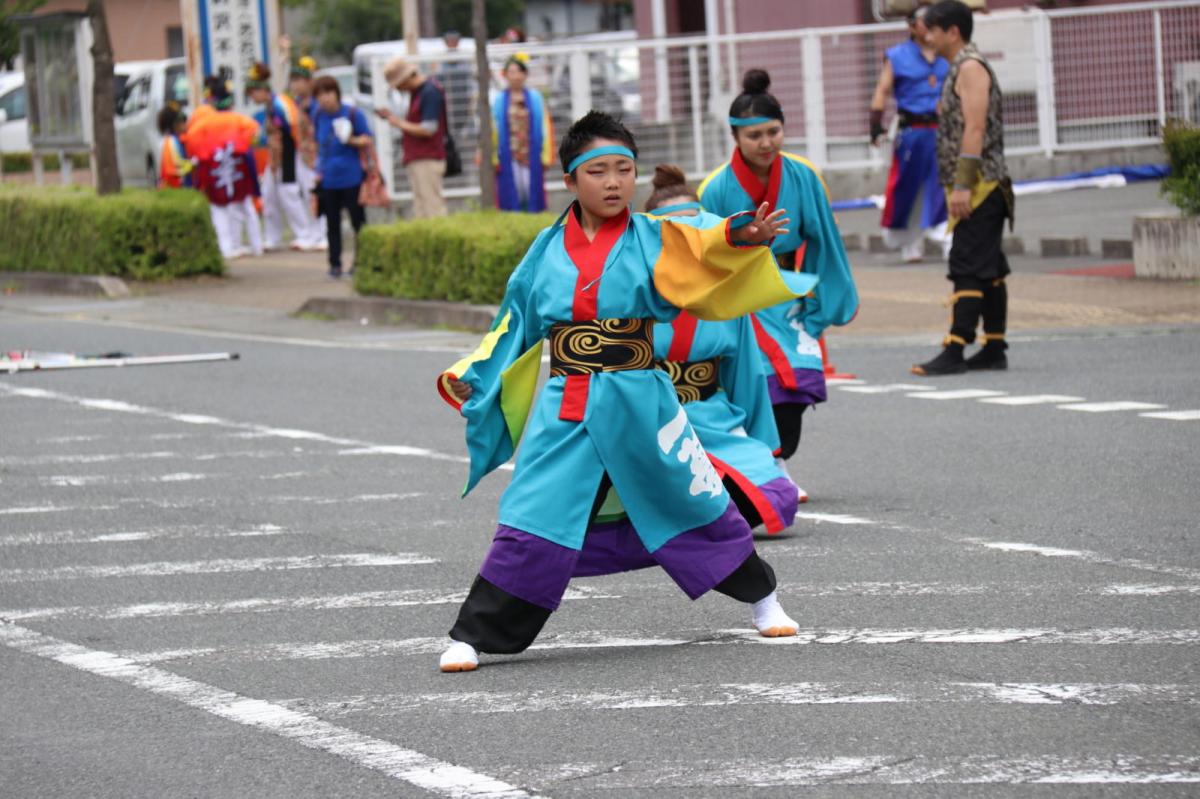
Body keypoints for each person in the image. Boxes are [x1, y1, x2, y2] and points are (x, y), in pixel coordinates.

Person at [435, 111, 819, 673]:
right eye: (597, 171)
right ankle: (475, 634)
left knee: (695, 500)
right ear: (570, 181)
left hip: (643, 401)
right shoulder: (544, 251)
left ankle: (764, 599)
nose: (614, 183)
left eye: (624, 170)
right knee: (530, 511)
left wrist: (741, 234)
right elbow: (513, 324)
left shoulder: (654, 237)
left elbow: (703, 246)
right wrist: (476, 371)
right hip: (567, 405)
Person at [698, 69, 858, 498]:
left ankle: (775, 465)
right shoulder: (714, 188)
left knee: (797, 387)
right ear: (735, 137)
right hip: (741, 300)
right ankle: (769, 472)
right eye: (755, 136)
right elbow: (705, 255)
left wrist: (825, 301)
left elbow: (825, 239)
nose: (766, 143)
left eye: (774, 131)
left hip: (789, 297)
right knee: (756, 385)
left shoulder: (804, 176)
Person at [646, 164, 802, 532]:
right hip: (651, 421)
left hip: (714, 420)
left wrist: (769, 451)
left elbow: (746, 379)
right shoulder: (632, 292)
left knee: (773, 497)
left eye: (698, 229)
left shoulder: (727, 297)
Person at [912, 0, 1014, 376]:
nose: (928, 36)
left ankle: (956, 348)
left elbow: (975, 129)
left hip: (982, 183)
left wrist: (961, 186)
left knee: (967, 265)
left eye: (933, 30)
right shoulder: (961, 65)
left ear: (952, 31)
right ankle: (995, 346)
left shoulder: (970, 67)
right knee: (989, 266)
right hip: (982, 182)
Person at [870, 5, 951, 263]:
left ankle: (948, 239)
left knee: (945, 185)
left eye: (934, 21)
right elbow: (882, 90)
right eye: (925, 22)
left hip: (942, 129)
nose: (929, 26)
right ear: (912, 25)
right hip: (912, 131)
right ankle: (910, 242)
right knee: (909, 187)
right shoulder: (897, 56)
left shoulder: (946, 54)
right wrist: (875, 123)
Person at [246, 62, 323, 251]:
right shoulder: (277, 105)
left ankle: (312, 234)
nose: (294, 86)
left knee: (302, 193)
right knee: (270, 195)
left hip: (296, 153)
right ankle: (275, 237)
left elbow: (293, 132)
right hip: (278, 156)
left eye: (298, 81)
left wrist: (304, 156)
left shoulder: (283, 104)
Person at [187, 76, 263, 259]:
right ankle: (256, 245)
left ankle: (227, 247)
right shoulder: (240, 120)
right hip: (238, 165)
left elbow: (192, 143)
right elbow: (256, 135)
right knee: (245, 206)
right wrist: (242, 146)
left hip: (215, 166)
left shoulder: (202, 122)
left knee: (220, 210)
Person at [311, 75, 373, 278]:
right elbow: (318, 146)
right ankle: (335, 264)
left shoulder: (353, 114)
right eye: (320, 95)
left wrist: (351, 140)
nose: (325, 98)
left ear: (336, 93)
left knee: (358, 222)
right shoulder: (319, 116)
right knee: (332, 224)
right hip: (329, 179)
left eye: (328, 93)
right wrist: (318, 171)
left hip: (352, 176)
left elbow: (367, 139)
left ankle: (362, 262)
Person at [378, 59, 448, 218]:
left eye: (398, 85)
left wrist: (398, 123)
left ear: (406, 79)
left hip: (428, 157)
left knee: (432, 207)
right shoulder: (418, 93)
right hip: (418, 157)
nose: (399, 89)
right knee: (421, 207)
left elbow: (429, 129)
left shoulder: (430, 92)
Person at [492, 53, 554, 212]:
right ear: (505, 75)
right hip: (508, 153)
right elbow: (493, 129)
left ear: (524, 74)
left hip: (530, 152)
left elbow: (545, 126)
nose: (514, 76)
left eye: (518, 72)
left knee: (529, 188)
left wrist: (546, 154)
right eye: (510, 72)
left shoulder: (535, 98)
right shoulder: (499, 100)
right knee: (513, 190)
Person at [288, 56, 328, 250]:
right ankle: (312, 234)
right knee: (304, 193)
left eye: (298, 81)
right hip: (302, 153)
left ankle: (323, 233)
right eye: (292, 81)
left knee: (318, 193)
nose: (294, 85)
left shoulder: (316, 103)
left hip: (316, 153)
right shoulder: (296, 103)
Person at [438, 30, 473, 140]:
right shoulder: (439, 60)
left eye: (454, 40)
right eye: (449, 40)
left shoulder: (466, 59)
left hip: (463, 100)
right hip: (447, 100)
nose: (452, 42)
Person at [156, 102, 192, 188]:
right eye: (182, 121)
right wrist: (194, 164)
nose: (185, 124)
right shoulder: (170, 141)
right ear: (174, 124)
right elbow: (173, 169)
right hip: (175, 189)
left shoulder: (178, 139)